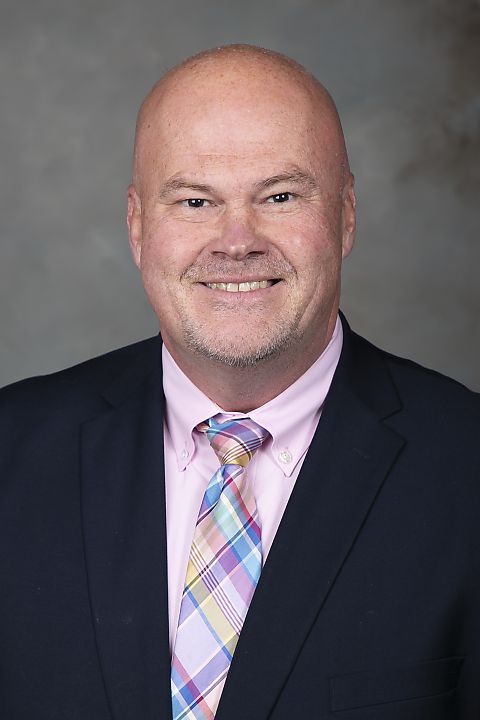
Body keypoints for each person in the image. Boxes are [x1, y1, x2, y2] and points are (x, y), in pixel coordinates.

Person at [0, 44, 479, 720]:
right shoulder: (12, 452)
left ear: (345, 215)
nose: (236, 241)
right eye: (195, 200)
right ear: (137, 226)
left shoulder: (466, 466)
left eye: (280, 196)